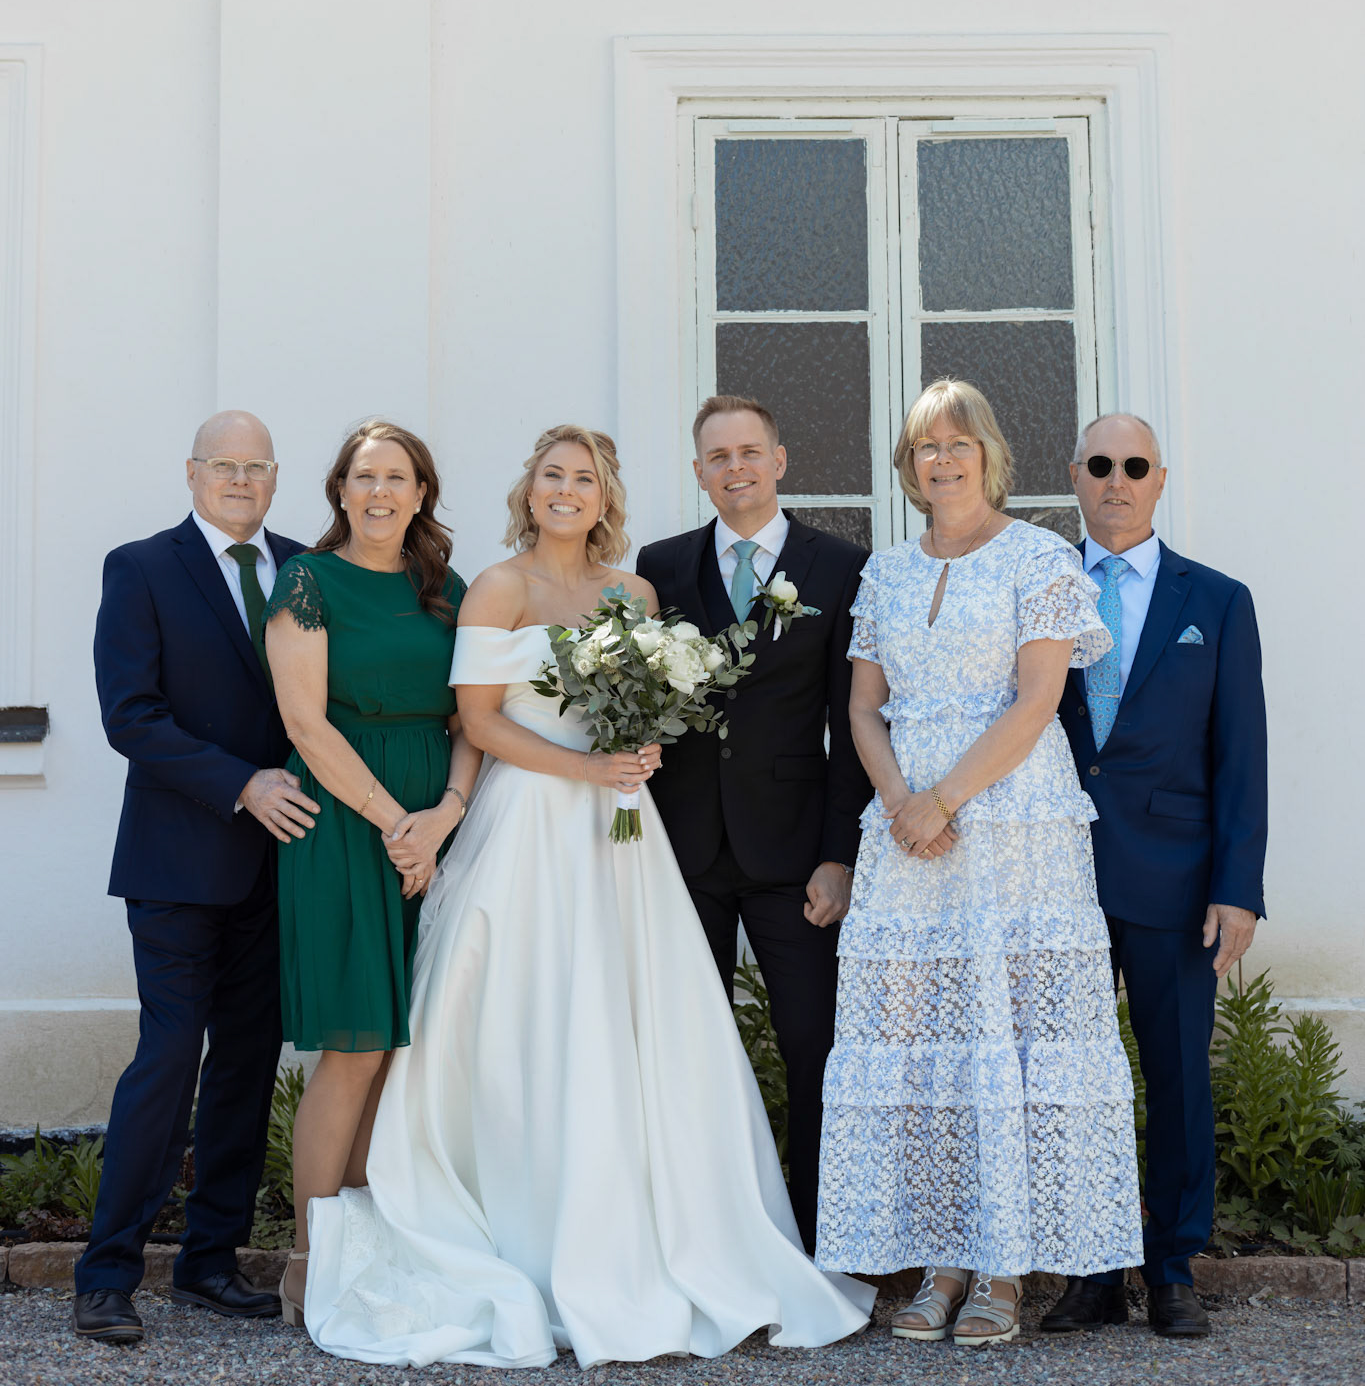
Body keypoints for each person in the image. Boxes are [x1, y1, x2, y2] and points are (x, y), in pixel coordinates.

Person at [300, 424, 873, 1366]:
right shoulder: (496, 587)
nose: (566, 490)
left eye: (584, 478)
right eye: (552, 476)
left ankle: (658, 1234)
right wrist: (585, 765)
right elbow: (478, 722)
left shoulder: (635, 594)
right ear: (529, 492)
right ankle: (515, 1224)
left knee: (631, 1018)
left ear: (606, 497)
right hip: (528, 823)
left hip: (621, 830)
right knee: (522, 1018)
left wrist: (640, 744)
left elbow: (666, 711)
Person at [816, 378, 1144, 1349]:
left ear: (990, 455)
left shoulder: (1038, 556)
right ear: (908, 466)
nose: (943, 459)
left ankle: (1003, 1265)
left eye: (958, 443)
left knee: (1009, 1037)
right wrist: (900, 802)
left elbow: (1038, 698)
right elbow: (862, 707)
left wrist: (945, 798)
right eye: (926, 446)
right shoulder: (887, 571)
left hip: (1010, 823)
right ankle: (942, 1259)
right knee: (923, 1042)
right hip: (905, 834)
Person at [74, 412, 313, 1346]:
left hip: (282, 861)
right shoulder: (140, 567)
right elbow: (130, 715)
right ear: (192, 473)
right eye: (224, 465)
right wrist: (241, 783)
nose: (240, 480)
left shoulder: (306, 570)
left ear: (275, 477)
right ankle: (107, 1275)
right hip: (177, 861)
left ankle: (209, 1264)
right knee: (169, 1061)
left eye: (256, 466)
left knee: (248, 1064)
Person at [1041, 414, 1267, 1341]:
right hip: (1053, 875)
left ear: (1159, 480)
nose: (1116, 480)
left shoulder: (1215, 600)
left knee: (1175, 1077)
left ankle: (1172, 1269)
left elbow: (1240, 753)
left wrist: (1237, 886)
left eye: (1134, 465)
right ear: (1074, 477)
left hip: (1176, 878)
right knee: (1074, 1079)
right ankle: (1091, 1272)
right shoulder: (1037, 583)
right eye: (1099, 464)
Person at [636, 395, 871, 1255]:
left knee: (814, 1045)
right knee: (687, 1051)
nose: (733, 468)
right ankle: (705, 1239)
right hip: (683, 846)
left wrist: (839, 856)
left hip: (794, 853)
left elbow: (852, 724)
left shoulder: (839, 566)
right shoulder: (658, 566)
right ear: (699, 471)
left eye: (747, 452)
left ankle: (819, 1242)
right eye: (716, 457)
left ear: (778, 460)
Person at [263, 420, 478, 1326]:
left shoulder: (446, 589)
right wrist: (396, 824)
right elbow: (305, 724)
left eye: (397, 478)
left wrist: (445, 814)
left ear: (421, 493)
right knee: (353, 1045)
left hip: (432, 822)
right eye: (364, 477)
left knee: (401, 1047)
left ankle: (370, 1242)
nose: (380, 492)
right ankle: (309, 1259)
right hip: (347, 824)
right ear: (340, 492)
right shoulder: (307, 582)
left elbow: (474, 718)